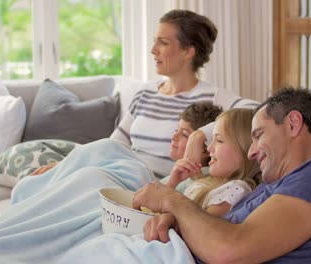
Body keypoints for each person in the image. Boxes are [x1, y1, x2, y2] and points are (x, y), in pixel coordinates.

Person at [132, 87, 311, 263]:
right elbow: (219, 232)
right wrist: (179, 223)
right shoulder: (273, 187)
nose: (251, 151)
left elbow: (228, 251)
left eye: (258, 135)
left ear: (293, 124)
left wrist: (172, 201)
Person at [31, 9, 258, 179]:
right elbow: (114, 145)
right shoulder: (146, 92)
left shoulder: (212, 96)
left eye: (163, 42)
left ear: (188, 52)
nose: (153, 50)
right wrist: (68, 166)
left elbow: (259, 111)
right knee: (46, 182)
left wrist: (199, 135)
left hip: (154, 182)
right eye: (154, 41)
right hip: (122, 172)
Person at [165, 108, 260, 217]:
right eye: (212, 140)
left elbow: (200, 229)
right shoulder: (209, 181)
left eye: (219, 140)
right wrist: (172, 183)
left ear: (246, 149)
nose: (209, 148)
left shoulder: (236, 189)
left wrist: (169, 194)